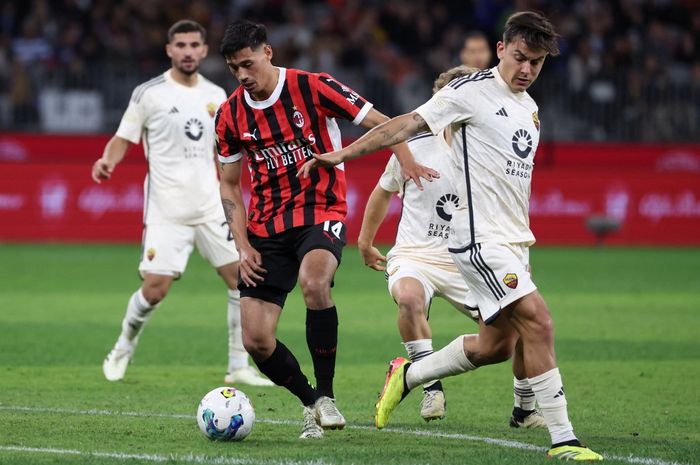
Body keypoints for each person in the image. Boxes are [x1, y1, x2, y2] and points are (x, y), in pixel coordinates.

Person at [303, 11, 602, 461]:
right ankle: (564, 440)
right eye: (520, 57)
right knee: (539, 323)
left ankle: (409, 375)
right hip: (478, 239)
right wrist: (342, 153)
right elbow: (402, 125)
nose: (526, 70)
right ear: (500, 49)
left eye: (536, 63)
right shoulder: (470, 91)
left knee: (497, 345)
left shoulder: (530, 109)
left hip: (512, 240)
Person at [214, 20, 435, 439]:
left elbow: (383, 121)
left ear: (267, 53)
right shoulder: (229, 115)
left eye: (247, 64)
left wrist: (405, 159)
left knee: (314, 283)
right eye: (233, 68)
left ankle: (329, 395)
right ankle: (311, 401)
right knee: (256, 340)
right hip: (266, 226)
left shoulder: (314, 86)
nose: (242, 76)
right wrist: (242, 245)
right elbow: (228, 184)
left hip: (321, 209)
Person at [358, 64, 546, 429]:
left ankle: (523, 409)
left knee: (514, 333)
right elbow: (382, 192)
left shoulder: (487, 147)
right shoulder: (412, 146)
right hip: (416, 255)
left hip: (469, 258)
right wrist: (366, 242)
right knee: (410, 298)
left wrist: (515, 253)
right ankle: (431, 386)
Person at [92, 19, 272, 387]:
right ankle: (124, 345)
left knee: (242, 280)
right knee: (155, 288)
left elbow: (229, 150)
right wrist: (108, 160)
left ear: (204, 51)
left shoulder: (217, 95)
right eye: (181, 45)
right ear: (170, 50)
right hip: (166, 209)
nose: (188, 51)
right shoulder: (150, 93)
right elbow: (123, 137)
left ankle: (238, 365)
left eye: (194, 45)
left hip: (211, 206)